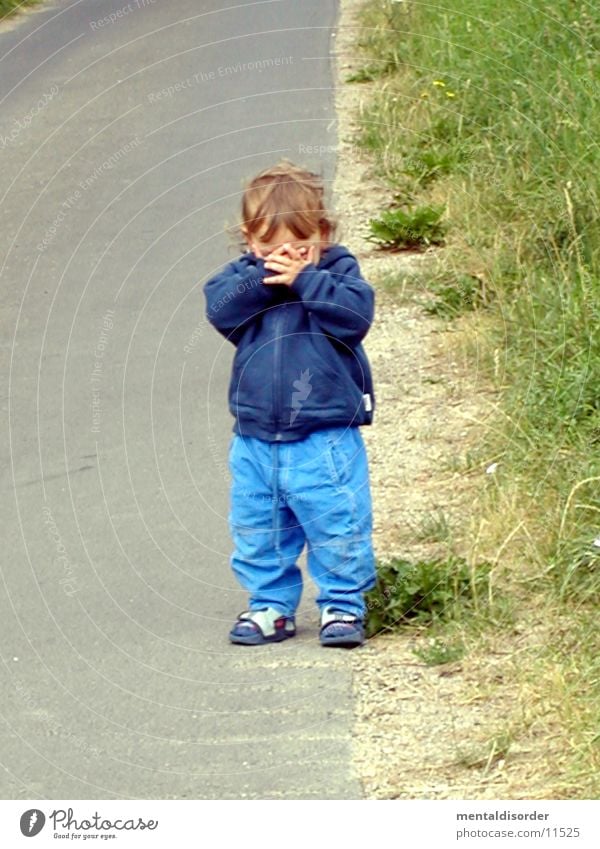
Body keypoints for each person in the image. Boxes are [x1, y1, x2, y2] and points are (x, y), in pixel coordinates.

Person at [203, 160, 376, 648]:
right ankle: (270, 607)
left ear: (322, 233)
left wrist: (306, 278)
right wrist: (264, 276)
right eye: (268, 247)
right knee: (259, 527)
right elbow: (219, 310)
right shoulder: (245, 279)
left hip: (324, 433)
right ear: (249, 240)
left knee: (337, 520)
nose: (284, 257)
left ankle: (342, 605)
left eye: (299, 246)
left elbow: (355, 317)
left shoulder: (336, 272)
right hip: (256, 434)